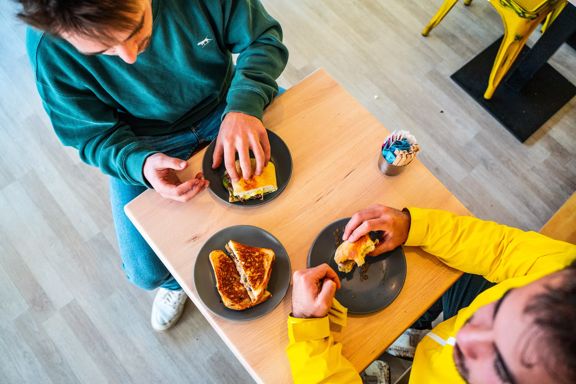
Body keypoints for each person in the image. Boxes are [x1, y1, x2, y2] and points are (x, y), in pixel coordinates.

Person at [18, 0, 288, 331]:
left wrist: (245, 106)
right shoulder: (50, 47)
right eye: (104, 50)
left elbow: (263, 38)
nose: (130, 56)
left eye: (135, 29)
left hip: (227, 102)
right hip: (142, 142)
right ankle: (176, 284)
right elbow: (90, 135)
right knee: (146, 272)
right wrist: (138, 163)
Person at [287, 205, 576, 383]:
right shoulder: (564, 273)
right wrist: (415, 226)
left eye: (500, 364)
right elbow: (502, 250)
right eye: (501, 305)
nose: (466, 334)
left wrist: (310, 333)